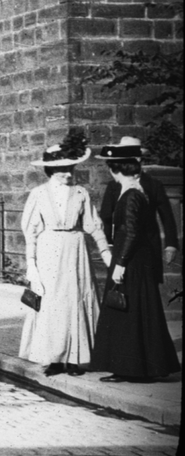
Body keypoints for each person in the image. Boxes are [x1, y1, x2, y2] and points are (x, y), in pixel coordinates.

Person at [91, 140, 181, 383]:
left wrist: (119, 263)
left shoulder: (132, 195)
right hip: (132, 256)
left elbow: (131, 232)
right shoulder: (131, 190)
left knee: (128, 311)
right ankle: (133, 368)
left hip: (131, 259)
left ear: (116, 169)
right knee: (134, 311)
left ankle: (133, 369)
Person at [19, 141, 111, 375]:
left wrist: (105, 252)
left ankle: (75, 359)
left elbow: (93, 224)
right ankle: (54, 358)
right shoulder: (39, 194)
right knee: (52, 302)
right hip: (49, 250)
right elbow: (31, 231)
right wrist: (31, 264)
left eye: (70, 168)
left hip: (75, 250)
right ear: (50, 169)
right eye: (62, 168)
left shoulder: (80, 193)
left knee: (75, 300)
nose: (68, 173)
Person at [98, 136, 179, 264]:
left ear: (139, 158)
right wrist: (109, 243)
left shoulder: (154, 184)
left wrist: (171, 245)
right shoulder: (113, 185)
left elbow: (167, 215)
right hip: (123, 244)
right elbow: (106, 215)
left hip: (148, 244)